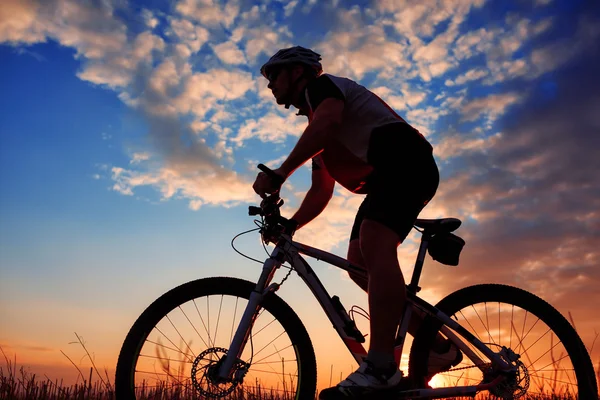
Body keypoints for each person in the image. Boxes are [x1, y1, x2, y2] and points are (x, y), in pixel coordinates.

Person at [252, 46, 462, 399]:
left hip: (407, 163)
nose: (270, 84)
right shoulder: (318, 125)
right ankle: (436, 348)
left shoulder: (323, 90)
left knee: (375, 239)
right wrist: (291, 225)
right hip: (388, 177)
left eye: (274, 75)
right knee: (358, 264)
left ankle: (381, 368)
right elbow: (321, 190)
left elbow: (328, 123)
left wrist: (280, 173)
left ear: (298, 72)